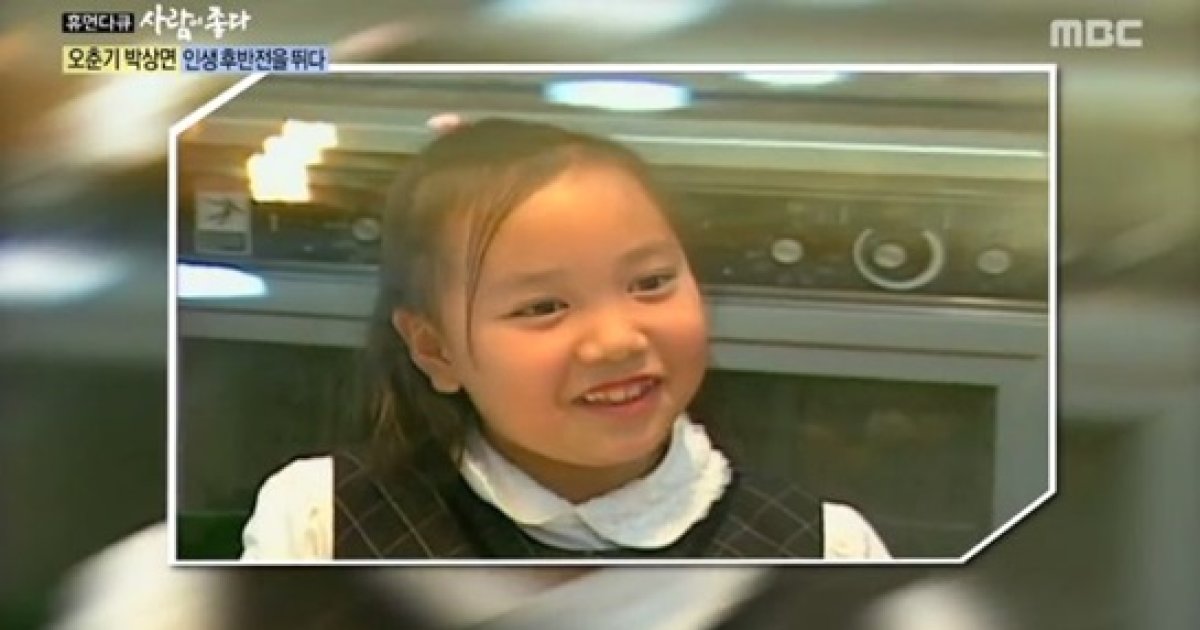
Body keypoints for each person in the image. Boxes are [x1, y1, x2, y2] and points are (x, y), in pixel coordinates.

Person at [240, 117, 889, 561]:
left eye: (651, 282)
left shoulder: (826, 549)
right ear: (435, 350)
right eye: (544, 306)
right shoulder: (322, 522)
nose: (616, 340)